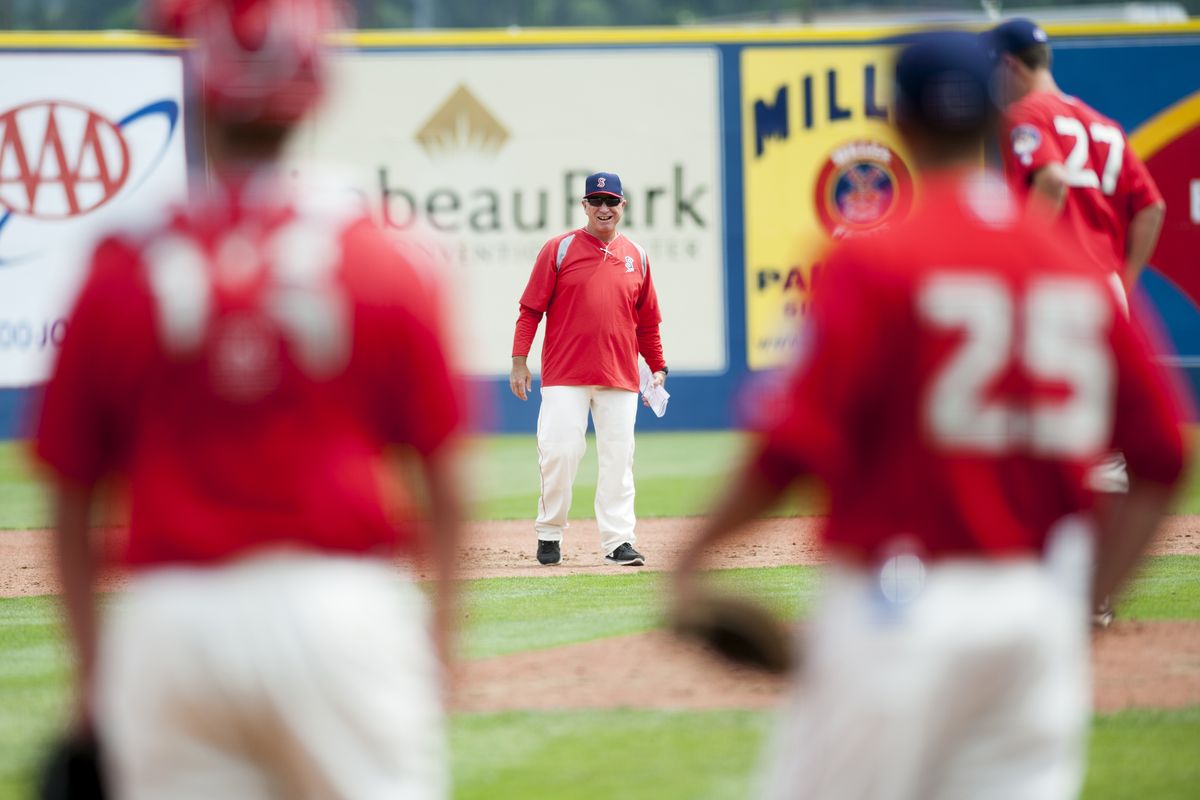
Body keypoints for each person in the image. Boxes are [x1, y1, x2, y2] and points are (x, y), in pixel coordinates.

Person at [672, 31, 1187, 800]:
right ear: (991, 118)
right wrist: (1079, 609)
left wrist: (693, 557)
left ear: (900, 127)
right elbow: (1164, 459)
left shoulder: (875, 258)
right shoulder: (1074, 269)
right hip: (1035, 613)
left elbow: (791, 449)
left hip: (898, 604)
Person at [35, 1, 465, 797]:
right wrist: (441, 636)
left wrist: (94, 677)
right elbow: (444, 472)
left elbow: (70, 490)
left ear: (197, 89)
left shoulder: (120, 268)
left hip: (172, 618)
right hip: (339, 609)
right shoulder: (386, 259)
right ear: (315, 93)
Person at [991, 17, 1168, 626]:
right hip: (1106, 293)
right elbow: (1152, 207)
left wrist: (1024, 260)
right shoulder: (1102, 124)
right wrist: (1125, 277)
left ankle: (1057, 584)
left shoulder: (1026, 118)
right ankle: (1094, 592)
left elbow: (1051, 181)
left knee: (1037, 436)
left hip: (1055, 293)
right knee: (1102, 448)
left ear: (1010, 64)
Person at [509, 171, 667, 567]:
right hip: (565, 374)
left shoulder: (638, 257)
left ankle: (618, 541)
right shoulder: (559, 250)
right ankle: (549, 533)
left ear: (622, 206)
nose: (603, 208)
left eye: (611, 201)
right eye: (596, 201)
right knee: (561, 451)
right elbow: (530, 310)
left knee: (619, 457)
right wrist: (519, 360)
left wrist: (658, 367)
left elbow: (648, 323)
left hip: (620, 376)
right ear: (584, 206)